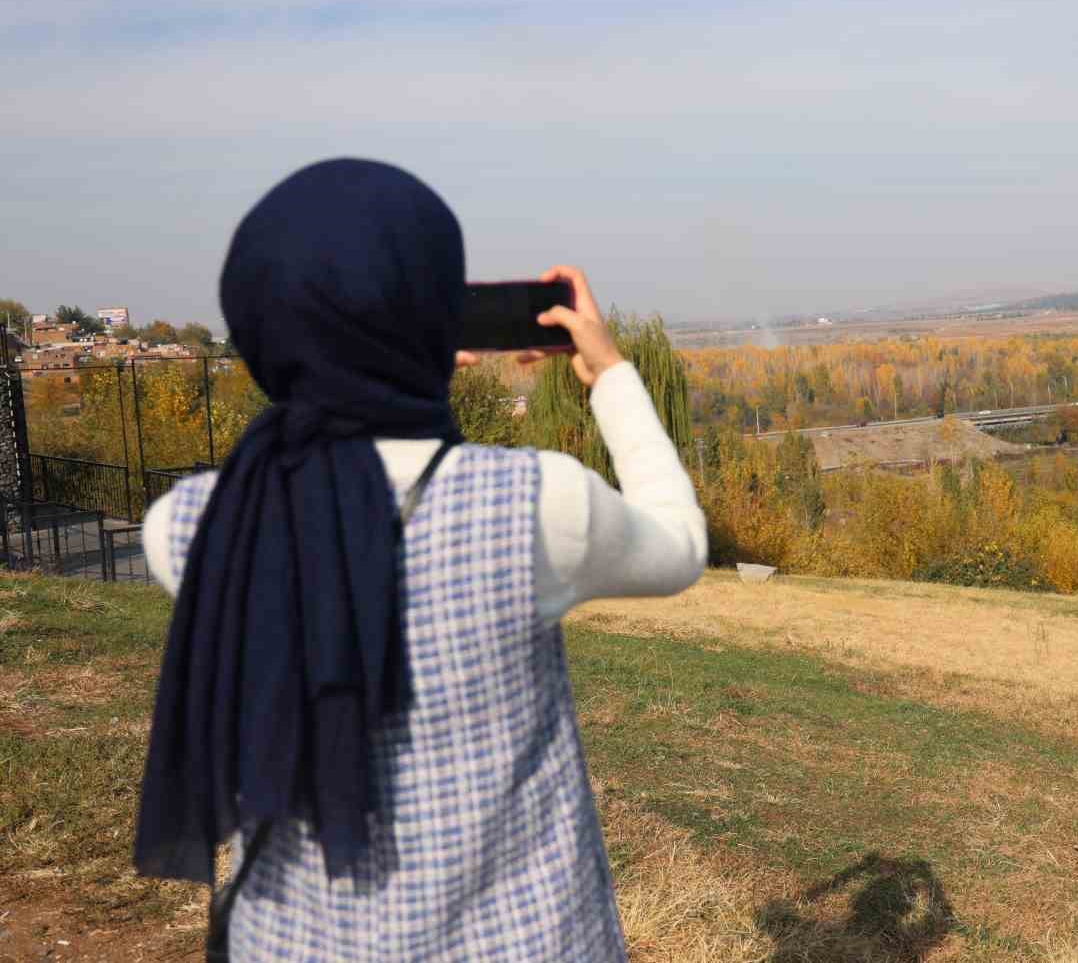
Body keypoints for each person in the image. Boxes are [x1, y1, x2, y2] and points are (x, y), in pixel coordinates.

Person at [135, 158, 706, 960]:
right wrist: (610, 375)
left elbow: (327, 449)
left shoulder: (189, 528)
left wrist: (386, 366)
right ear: (434, 322)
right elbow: (681, 546)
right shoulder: (535, 505)